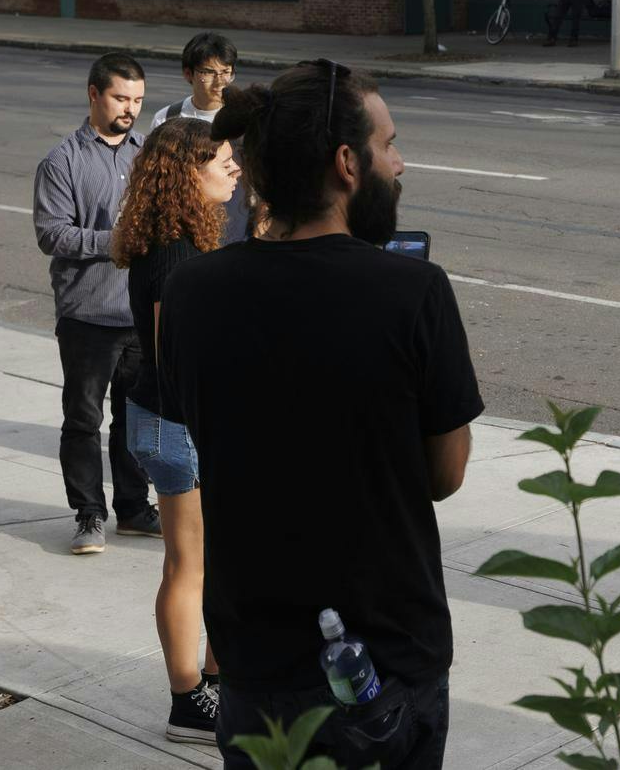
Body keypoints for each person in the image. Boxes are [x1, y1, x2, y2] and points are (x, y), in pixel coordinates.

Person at [160, 61, 481, 770]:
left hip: (255, 655)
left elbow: (198, 420)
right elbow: (445, 473)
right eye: (389, 144)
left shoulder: (192, 290)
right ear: (346, 163)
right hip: (390, 652)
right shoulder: (415, 291)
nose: (400, 163)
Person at [111, 118, 240, 744]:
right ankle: (188, 699)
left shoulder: (178, 242)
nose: (234, 168)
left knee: (205, 563)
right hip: (176, 425)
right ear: (187, 173)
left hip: (168, 421)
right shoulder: (175, 257)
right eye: (221, 159)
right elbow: (175, 360)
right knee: (191, 566)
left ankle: (211, 687)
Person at [33, 52, 157, 555]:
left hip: (141, 312)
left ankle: (133, 508)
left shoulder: (146, 152)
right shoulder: (61, 161)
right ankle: (88, 515)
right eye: (121, 98)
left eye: (138, 101)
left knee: (135, 420)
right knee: (84, 421)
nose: (130, 109)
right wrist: (118, 239)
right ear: (94, 94)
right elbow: (52, 233)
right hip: (87, 314)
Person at [148, 33, 250, 246]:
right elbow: (155, 177)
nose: (220, 82)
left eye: (226, 72)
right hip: (183, 229)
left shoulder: (245, 118)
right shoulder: (168, 118)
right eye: (209, 73)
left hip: (237, 225)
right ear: (188, 74)